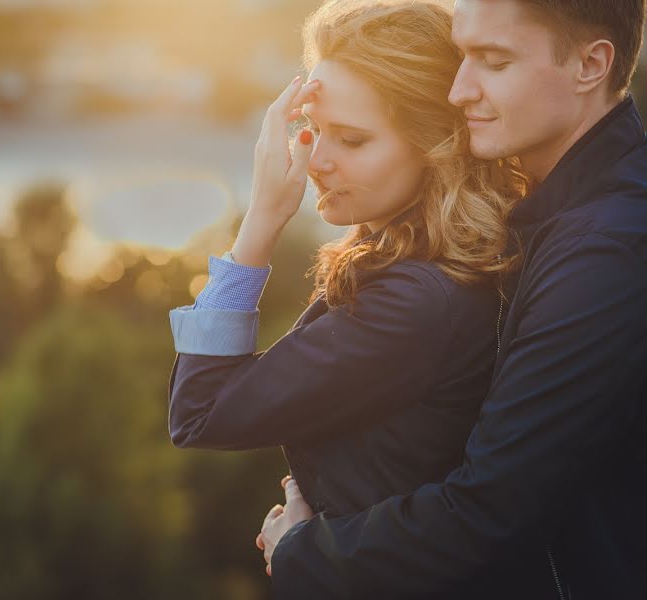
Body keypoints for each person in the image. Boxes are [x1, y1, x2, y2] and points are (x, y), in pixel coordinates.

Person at [263, 1, 647, 598]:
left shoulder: (604, 253)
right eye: (462, 54)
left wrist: (303, 550)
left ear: (591, 64)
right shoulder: (542, 213)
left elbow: (489, 511)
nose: (458, 89)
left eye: (493, 62)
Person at [167, 0, 521, 578]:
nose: (316, 162)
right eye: (313, 132)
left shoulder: (416, 302)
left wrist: (258, 226)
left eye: (352, 141)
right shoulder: (427, 261)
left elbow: (201, 412)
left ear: (437, 146)